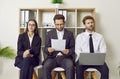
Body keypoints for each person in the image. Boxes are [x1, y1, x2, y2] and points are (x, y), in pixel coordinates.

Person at [43, 14, 75, 79]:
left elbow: (73, 48)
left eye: (61, 24)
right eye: (57, 24)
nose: (59, 26)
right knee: (46, 66)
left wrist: (68, 51)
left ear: (64, 23)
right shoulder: (49, 33)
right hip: (52, 58)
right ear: (54, 23)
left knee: (70, 66)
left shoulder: (70, 34)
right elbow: (45, 48)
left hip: (65, 58)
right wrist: (48, 49)